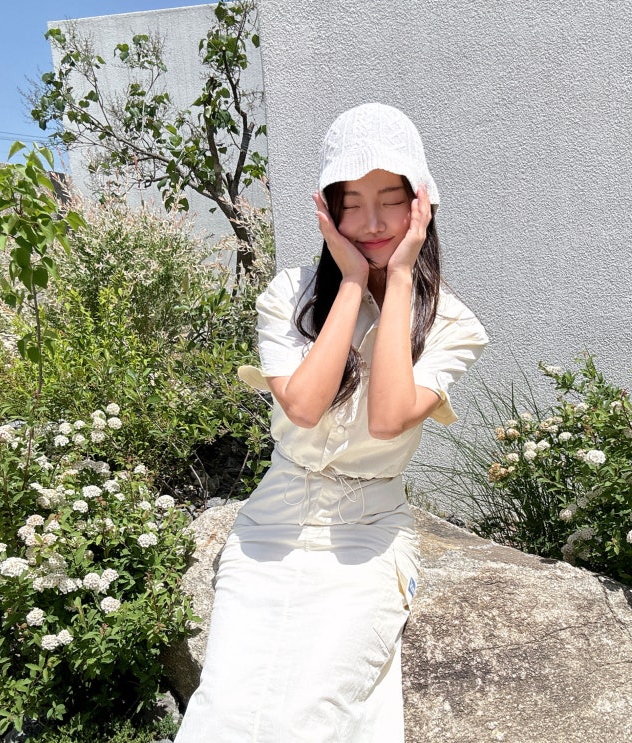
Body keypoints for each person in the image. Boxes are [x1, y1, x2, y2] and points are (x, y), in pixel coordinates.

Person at [174, 102, 488, 742]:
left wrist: (400, 278)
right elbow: (304, 405)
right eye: (351, 204)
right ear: (327, 211)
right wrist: (350, 284)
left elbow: (389, 418)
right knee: (225, 713)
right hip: (272, 524)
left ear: (422, 204)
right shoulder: (288, 295)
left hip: (367, 534)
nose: (371, 222)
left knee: (316, 714)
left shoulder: (452, 323)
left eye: (391, 201)